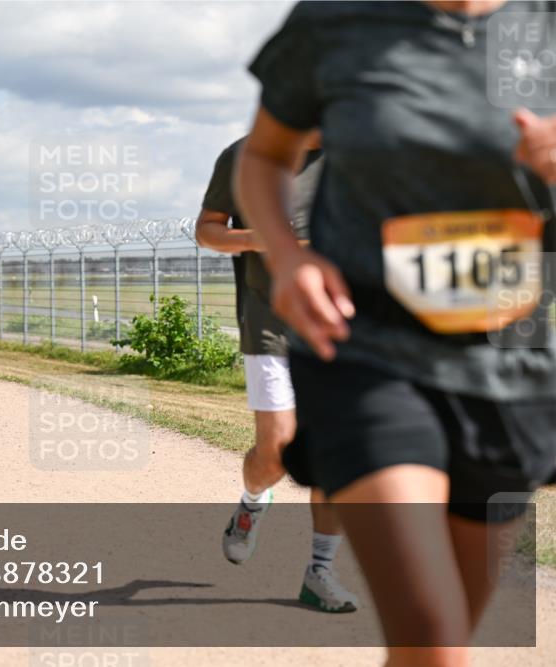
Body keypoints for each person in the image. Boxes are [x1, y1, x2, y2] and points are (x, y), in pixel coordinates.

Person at [237, 2, 556, 665]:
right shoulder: (338, 19)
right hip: (365, 350)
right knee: (435, 641)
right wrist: (288, 256)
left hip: (506, 365)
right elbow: (265, 156)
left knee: (434, 645)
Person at [197, 133, 357, 613]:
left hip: (344, 325)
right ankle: (252, 499)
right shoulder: (246, 155)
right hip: (272, 321)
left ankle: (320, 573)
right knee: (278, 450)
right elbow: (207, 230)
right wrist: (260, 238)